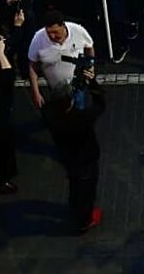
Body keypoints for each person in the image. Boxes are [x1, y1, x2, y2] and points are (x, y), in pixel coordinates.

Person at [42, 56, 106, 233]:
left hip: (67, 156)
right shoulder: (80, 119)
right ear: (70, 102)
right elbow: (100, 104)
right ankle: (84, 220)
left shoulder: (49, 113)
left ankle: (75, 207)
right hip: (85, 159)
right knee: (86, 189)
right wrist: (92, 83)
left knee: (75, 183)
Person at [26, 11, 95, 109]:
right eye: (48, 33)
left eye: (55, 32)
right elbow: (32, 66)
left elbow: (89, 47)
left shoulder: (78, 31)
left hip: (77, 87)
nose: (52, 36)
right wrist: (36, 93)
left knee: (79, 114)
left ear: (63, 26)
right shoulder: (38, 39)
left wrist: (90, 66)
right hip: (55, 90)